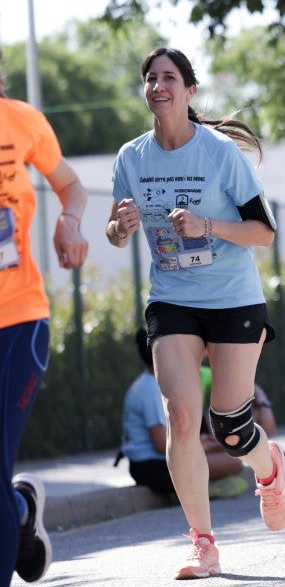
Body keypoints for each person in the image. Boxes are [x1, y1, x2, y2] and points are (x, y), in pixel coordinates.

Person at [104, 47, 285, 580]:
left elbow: (264, 232)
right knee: (182, 417)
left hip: (232, 298)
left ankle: (269, 470)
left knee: (230, 427)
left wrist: (207, 226)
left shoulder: (219, 154)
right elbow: (114, 233)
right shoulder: (131, 158)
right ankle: (202, 544)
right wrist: (120, 228)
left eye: (169, 77)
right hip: (171, 299)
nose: (158, 85)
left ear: (189, 90)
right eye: (151, 78)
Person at [1, 64, 89, 585]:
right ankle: (19, 509)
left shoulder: (22, 120)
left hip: (16, 321)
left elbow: (71, 185)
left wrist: (69, 221)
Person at [121, 330, 248, 499]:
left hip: (154, 462)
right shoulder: (152, 390)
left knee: (229, 454)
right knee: (233, 463)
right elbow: (161, 444)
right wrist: (198, 446)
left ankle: (196, 487)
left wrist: (200, 443)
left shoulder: (151, 383)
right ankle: (197, 490)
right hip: (151, 467)